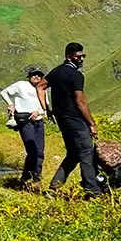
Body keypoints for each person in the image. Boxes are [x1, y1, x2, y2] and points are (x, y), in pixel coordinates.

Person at [46, 42, 104, 197]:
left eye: (83, 56)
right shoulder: (76, 75)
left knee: (73, 155)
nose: (81, 59)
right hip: (75, 119)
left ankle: (53, 189)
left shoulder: (56, 72)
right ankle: (93, 191)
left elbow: (40, 86)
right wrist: (92, 124)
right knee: (86, 153)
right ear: (69, 56)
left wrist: (47, 109)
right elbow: (80, 102)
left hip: (62, 120)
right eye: (78, 56)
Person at [0, 66, 49, 187]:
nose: (36, 76)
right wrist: (10, 104)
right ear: (29, 76)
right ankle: (26, 178)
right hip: (25, 120)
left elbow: (45, 106)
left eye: (39, 75)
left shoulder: (43, 88)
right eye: (34, 74)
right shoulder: (21, 85)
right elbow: (4, 92)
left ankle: (36, 179)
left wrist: (39, 111)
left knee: (40, 151)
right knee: (32, 150)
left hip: (38, 121)